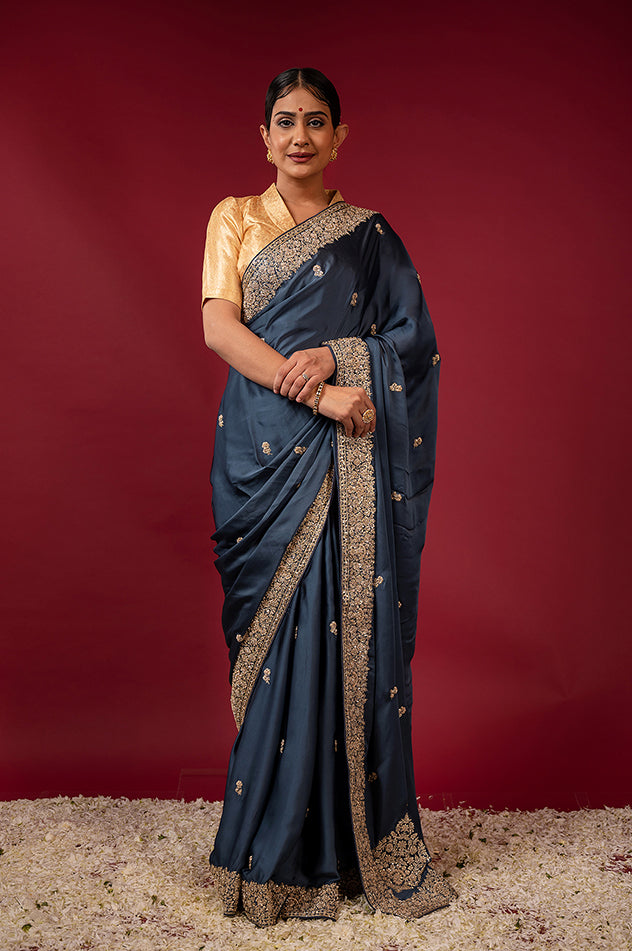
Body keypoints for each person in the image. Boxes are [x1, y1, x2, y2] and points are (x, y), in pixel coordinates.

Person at [200, 67, 456, 927]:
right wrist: (313, 387)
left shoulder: (370, 237)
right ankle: (271, 852)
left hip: (344, 454)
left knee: (340, 629)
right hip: (261, 449)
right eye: (285, 121)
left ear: (339, 137)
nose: (300, 136)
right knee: (272, 639)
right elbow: (218, 326)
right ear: (264, 136)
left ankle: (342, 847)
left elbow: (412, 344)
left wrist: (346, 359)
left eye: (316, 122)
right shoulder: (234, 217)